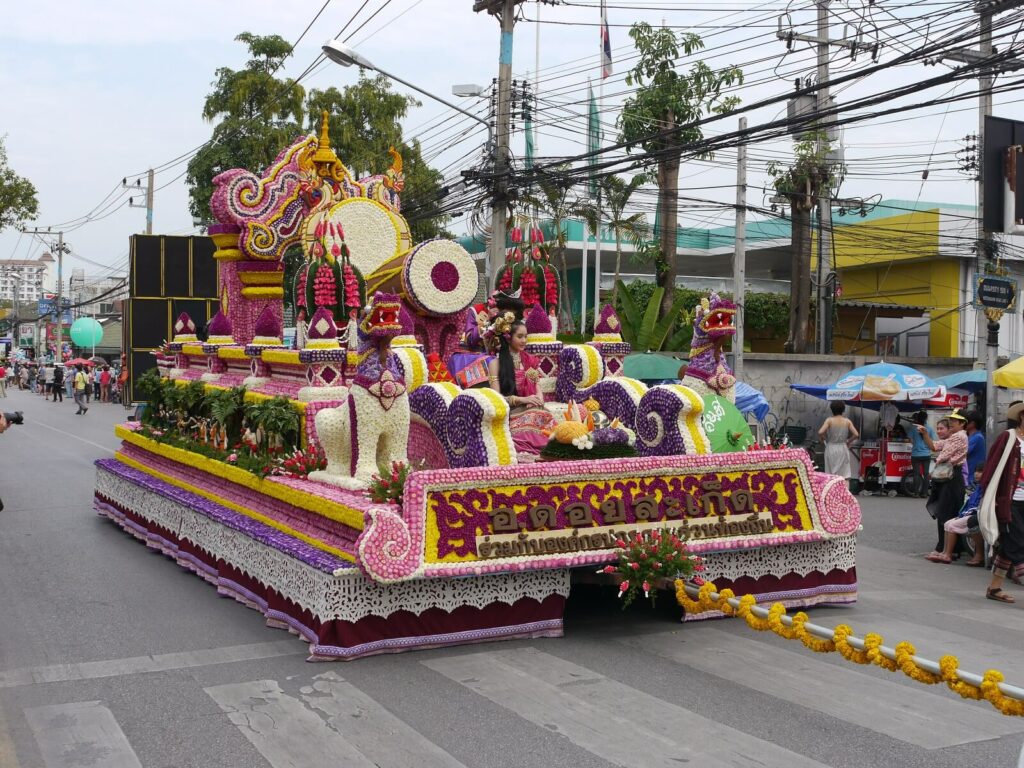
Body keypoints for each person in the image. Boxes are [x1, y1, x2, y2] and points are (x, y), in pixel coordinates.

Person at [486, 315, 556, 456]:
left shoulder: (529, 361)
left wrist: (538, 399)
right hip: (512, 413)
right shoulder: (495, 364)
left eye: (526, 336)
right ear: (508, 338)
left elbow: (537, 386)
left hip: (532, 408)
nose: (524, 340)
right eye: (520, 336)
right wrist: (522, 400)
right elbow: (497, 399)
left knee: (546, 418)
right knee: (534, 420)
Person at [979, 401, 1024, 604]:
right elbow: (992, 465)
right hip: (1010, 500)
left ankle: (994, 588)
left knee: (1008, 546)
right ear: (1021, 416)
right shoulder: (1009, 437)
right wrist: (989, 495)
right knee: (1018, 544)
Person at [918, 411, 968, 560]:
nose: (952, 422)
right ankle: (946, 549)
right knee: (946, 513)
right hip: (947, 477)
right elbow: (934, 446)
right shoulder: (954, 437)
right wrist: (925, 433)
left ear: (962, 423)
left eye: (955, 421)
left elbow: (943, 455)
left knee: (946, 513)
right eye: (951, 420)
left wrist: (935, 465)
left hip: (952, 477)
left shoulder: (959, 436)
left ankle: (947, 550)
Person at [927, 467, 986, 565]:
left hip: (975, 514)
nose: (976, 474)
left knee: (952, 525)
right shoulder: (977, 487)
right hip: (969, 513)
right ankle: (945, 552)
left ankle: (949, 553)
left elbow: (976, 506)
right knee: (947, 523)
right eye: (976, 471)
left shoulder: (983, 488)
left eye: (980, 471)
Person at [818, 402, 859, 482]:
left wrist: (823, 438)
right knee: (845, 474)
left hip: (831, 447)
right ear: (843, 410)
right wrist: (848, 441)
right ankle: (844, 492)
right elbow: (856, 434)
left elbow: (820, 432)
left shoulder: (829, 420)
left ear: (832, 410)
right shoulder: (847, 421)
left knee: (830, 474)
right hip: (843, 447)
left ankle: (831, 492)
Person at [907, 411, 935, 499]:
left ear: (917, 418)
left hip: (915, 454)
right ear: (926, 418)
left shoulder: (913, 428)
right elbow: (932, 441)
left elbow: (910, 440)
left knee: (916, 474)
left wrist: (916, 444)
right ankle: (924, 493)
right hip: (926, 454)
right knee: (926, 474)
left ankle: (916, 493)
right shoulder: (929, 429)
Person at [963, 410, 986, 485]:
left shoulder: (977, 437)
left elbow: (962, 453)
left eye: (964, 422)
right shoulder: (970, 436)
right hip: (969, 474)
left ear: (972, 424)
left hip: (972, 476)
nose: (962, 424)